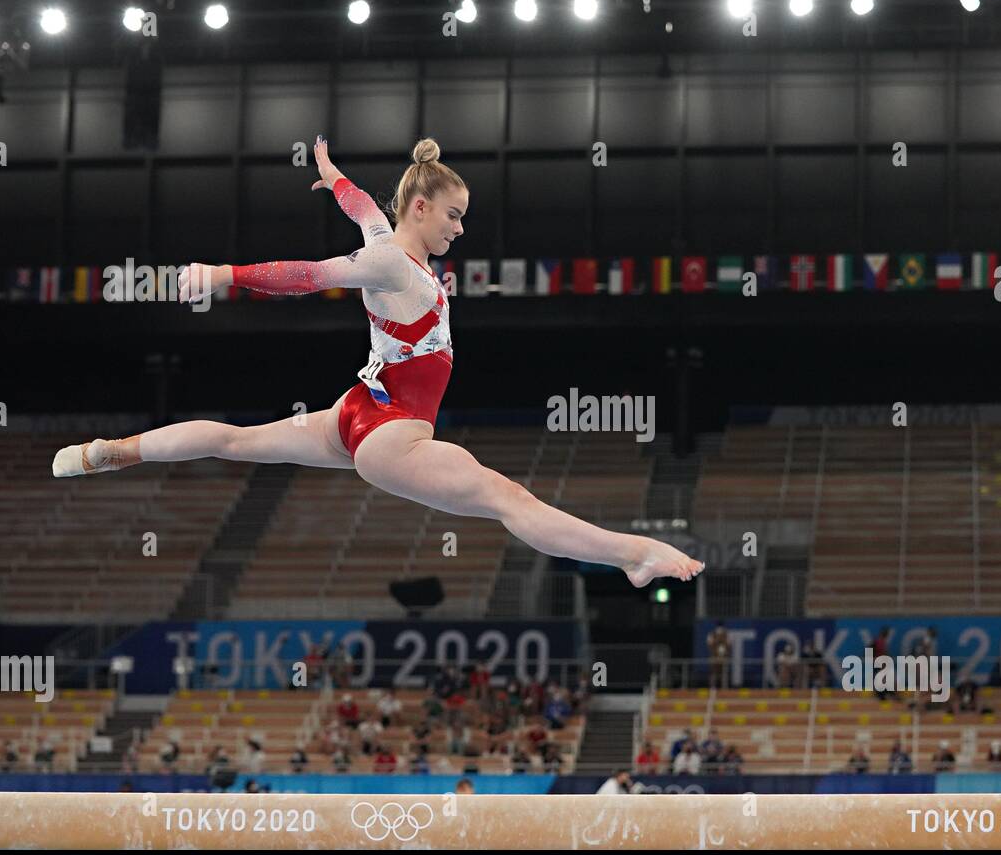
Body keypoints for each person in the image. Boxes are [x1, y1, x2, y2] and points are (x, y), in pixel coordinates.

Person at [52, 141, 703, 590]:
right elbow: (307, 275)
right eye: (453, 215)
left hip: (357, 413)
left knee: (234, 440)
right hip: (392, 432)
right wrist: (224, 274)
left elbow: (366, 210)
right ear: (420, 207)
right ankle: (633, 555)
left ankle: (110, 452)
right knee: (510, 500)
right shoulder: (392, 263)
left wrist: (335, 178)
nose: (460, 229)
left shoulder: (387, 243)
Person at [706, 623, 731, 690]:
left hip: (723, 655)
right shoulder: (712, 634)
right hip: (714, 655)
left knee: (724, 672)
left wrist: (722, 641)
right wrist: (717, 640)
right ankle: (712, 687)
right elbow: (709, 644)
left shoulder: (726, 634)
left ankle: (724, 687)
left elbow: (729, 645)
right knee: (713, 672)